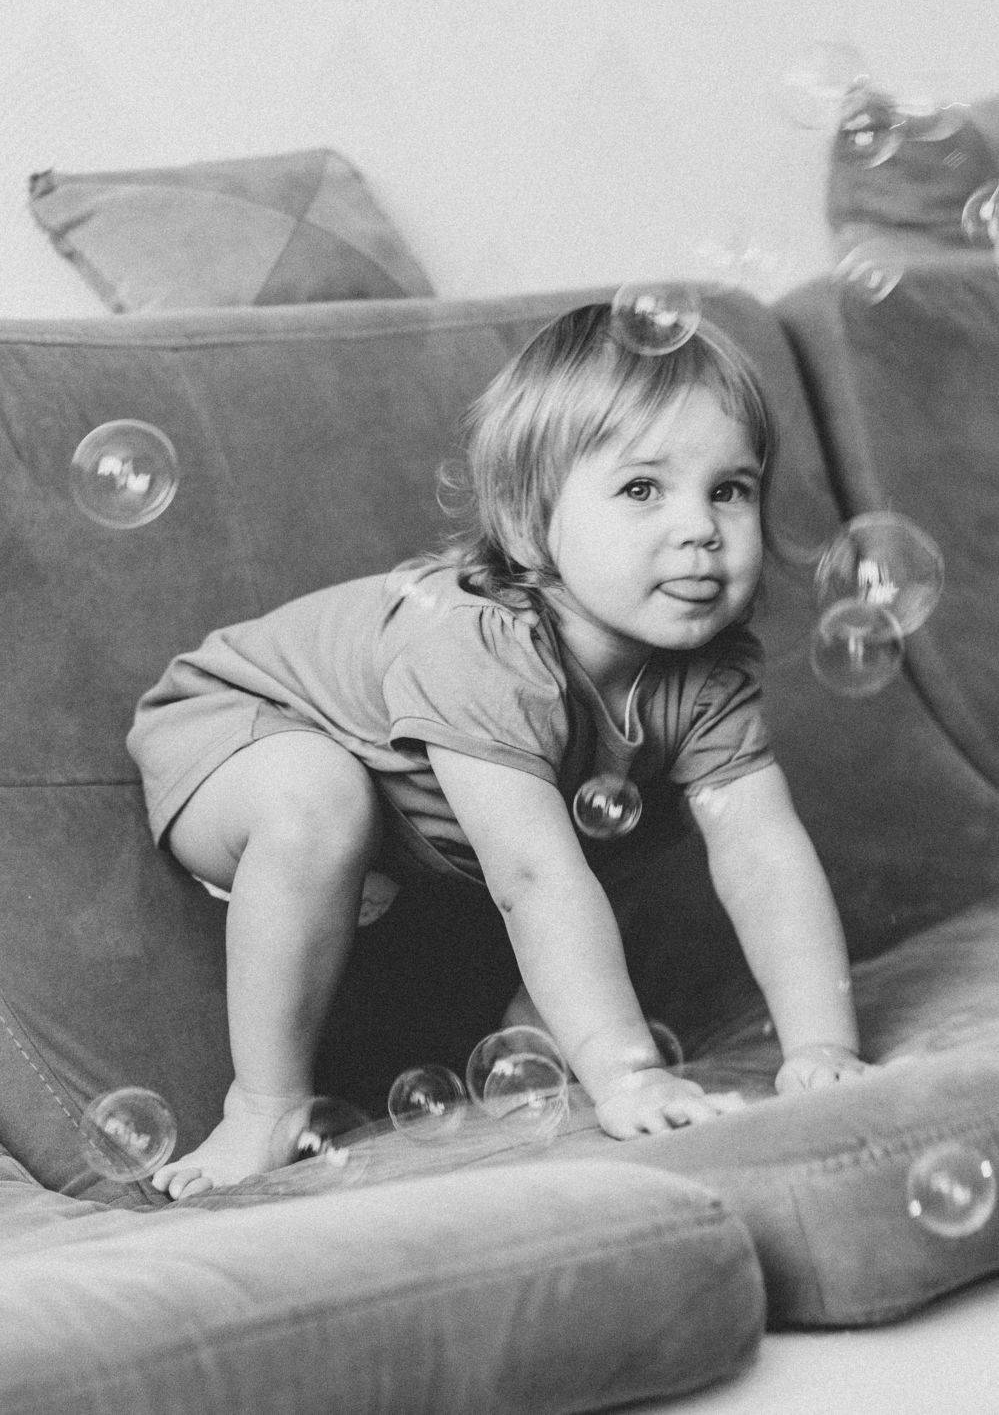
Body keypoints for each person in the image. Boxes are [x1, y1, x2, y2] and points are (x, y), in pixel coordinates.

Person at [127, 301, 873, 1200]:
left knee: (637, 808)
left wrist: (822, 1048)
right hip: (242, 732)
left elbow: (762, 853)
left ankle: (541, 1020)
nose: (700, 528)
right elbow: (531, 876)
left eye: (730, 489)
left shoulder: (707, 676)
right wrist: (628, 1075)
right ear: (526, 525)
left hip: (421, 805)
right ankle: (264, 1105)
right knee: (317, 796)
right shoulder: (480, 649)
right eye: (642, 489)